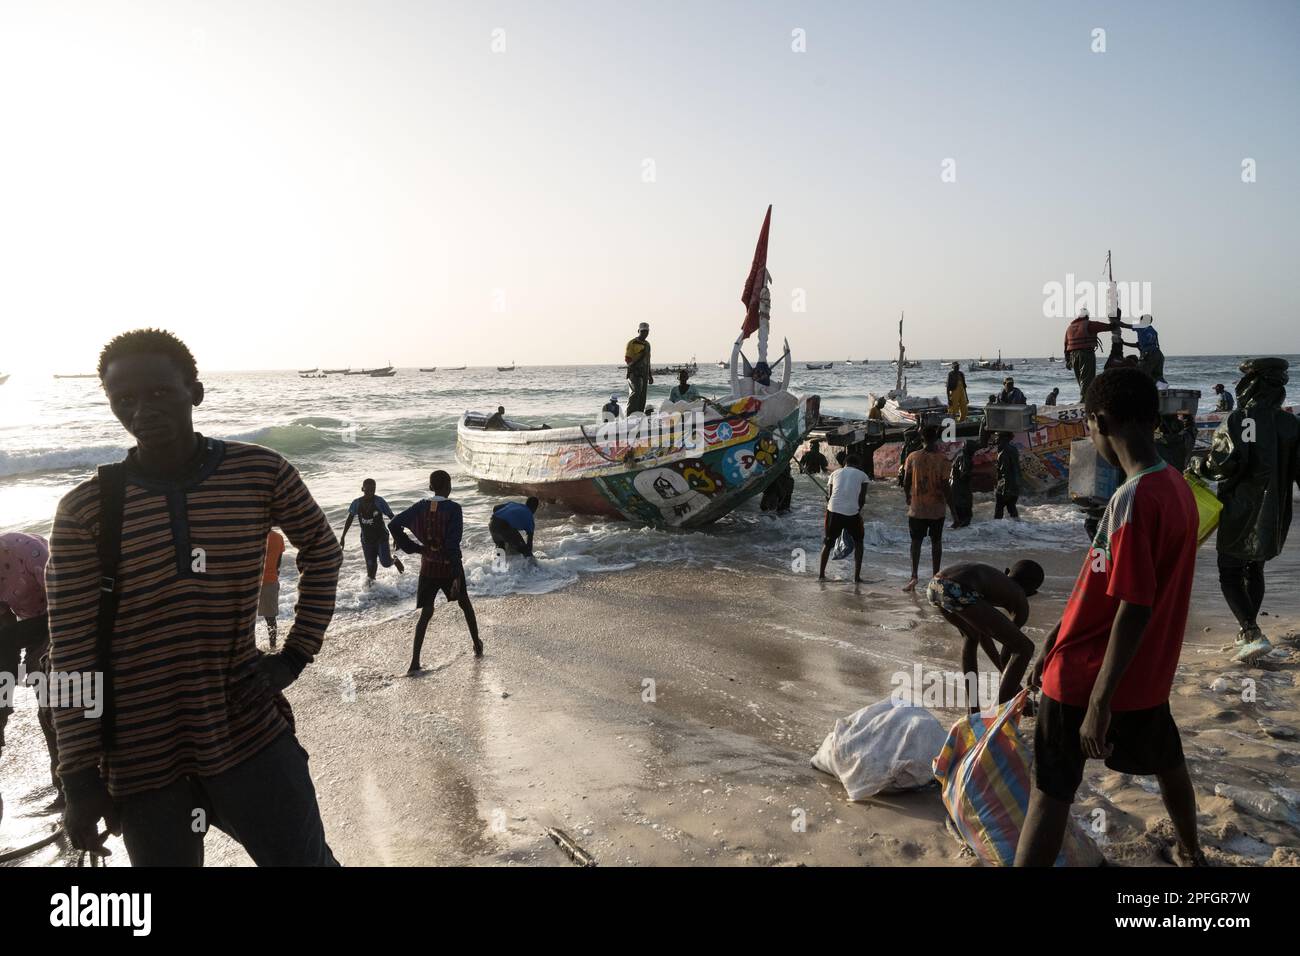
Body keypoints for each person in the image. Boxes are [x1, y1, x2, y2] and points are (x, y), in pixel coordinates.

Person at [48, 328, 340, 866]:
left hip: (248, 732)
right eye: (124, 400)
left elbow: (322, 550)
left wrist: (296, 655)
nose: (141, 410)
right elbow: (70, 648)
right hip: (140, 758)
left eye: (159, 393)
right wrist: (77, 777)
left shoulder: (261, 472)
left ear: (195, 392)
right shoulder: (87, 510)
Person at [1017, 367, 1203, 867]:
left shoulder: (1131, 500)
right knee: (1169, 763)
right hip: (1145, 677)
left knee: (1050, 792)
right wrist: (1054, 638)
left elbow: (1134, 605)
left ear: (1100, 421)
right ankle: (1192, 853)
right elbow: (1096, 586)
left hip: (1087, 678)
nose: (1090, 437)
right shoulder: (1177, 489)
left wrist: (1100, 701)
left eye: (1089, 429)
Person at [1190, 358, 1300, 663]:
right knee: (1255, 568)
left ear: (1249, 384)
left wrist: (1199, 465)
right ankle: (1247, 631)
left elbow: (1223, 464)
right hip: (1275, 511)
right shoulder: (1290, 424)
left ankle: (1251, 631)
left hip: (1240, 508)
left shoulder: (1239, 420)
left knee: (1230, 571)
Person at [389, 470, 482, 669]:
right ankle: (477, 644)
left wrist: (413, 547)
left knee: (426, 613)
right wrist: (456, 573)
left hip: (428, 566)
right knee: (464, 604)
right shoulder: (454, 509)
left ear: (431, 487)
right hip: (448, 567)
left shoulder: (420, 507)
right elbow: (452, 544)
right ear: (449, 486)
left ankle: (414, 661)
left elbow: (393, 524)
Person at [926, 560, 1043, 709]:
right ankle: (999, 715)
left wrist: (1016, 689)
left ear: (1006, 572)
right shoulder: (1020, 600)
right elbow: (1009, 654)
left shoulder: (995, 580)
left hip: (935, 585)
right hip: (959, 588)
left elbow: (984, 636)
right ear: (1032, 593)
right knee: (1025, 648)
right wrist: (1017, 691)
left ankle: (974, 710)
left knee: (971, 637)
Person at [0, 532, 61, 802]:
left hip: (63, 617)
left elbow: (67, 605)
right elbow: (5, 639)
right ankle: (64, 785)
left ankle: (72, 785)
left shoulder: (28, 550)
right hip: (30, 627)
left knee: (50, 703)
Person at [902, 425, 952, 592]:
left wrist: (908, 497)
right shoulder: (943, 459)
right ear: (936, 438)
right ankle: (935, 577)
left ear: (921, 439)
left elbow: (906, 481)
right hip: (937, 509)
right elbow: (946, 486)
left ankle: (913, 577)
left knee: (916, 542)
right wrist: (954, 510)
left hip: (917, 509)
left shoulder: (912, 457)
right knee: (936, 542)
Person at [340, 479, 405, 583]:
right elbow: (349, 519)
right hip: (366, 539)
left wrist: (397, 536)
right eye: (368, 489)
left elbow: (392, 517)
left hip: (381, 537)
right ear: (362, 489)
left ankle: (395, 560)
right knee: (371, 571)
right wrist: (343, 537)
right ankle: (372, 596)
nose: (370, 492)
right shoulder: (356, 503)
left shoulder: (379, 502)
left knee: (386, 563)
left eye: (373, 490)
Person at [819, 454, 869, 583]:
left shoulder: (834, 473)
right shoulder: (863, 475)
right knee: (859, 543)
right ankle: (857, 577)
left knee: (828, 543)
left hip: (833, 511)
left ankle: (821, 575)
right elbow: (861, 499)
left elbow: (830, 497)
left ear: (844, 464)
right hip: (852, 512)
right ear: (857, 465)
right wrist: (856, 512)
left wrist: (829, 500)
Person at [259, 530, 285, 648]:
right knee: (271, 618)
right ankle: (273, 645)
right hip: (271, 580)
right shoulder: (279, 538)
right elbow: (278, 563)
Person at [1125, 317, 1165, 383]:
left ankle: (1144, 391)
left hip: (1149, 354)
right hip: (1159, 354)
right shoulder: (1153, 331)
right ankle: (1164, 390)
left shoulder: (1141, 327)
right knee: (1158, 377)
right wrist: (1124, 343)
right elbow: (1137, 345)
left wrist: (1116, 322)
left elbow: (1125, 325)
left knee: (1142, 375)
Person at [625, 322, 652, 414]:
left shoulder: (648, 344)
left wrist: (650, 375)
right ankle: (630, 415)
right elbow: (628, 360)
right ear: (638, 331)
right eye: (643, 331)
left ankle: (639, 415)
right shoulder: (632, 343)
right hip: (634, 372)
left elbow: (648, 361)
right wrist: (640, 357)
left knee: (642, 396)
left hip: (644, 373)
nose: (645, 333)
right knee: (635, 392)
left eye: (646, 331)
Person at [949, 439, 977, 529]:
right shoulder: (965, 458)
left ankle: (958, 538)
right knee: (965, 518)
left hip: (956, 490)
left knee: (959, 520)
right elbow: (964, 474)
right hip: (961, 492)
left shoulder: (961, 456)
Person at [994, 432, 1020, 519]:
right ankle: (1019, 528)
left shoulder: (1003, 452)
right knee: (1012, 508)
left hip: (1005, 485)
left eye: (997, 437)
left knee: (999, 510)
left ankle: (995, 530)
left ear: (1003, 439)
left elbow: (1005, 471)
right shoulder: (1014, 449)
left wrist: (1004, 489)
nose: (995, 439)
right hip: (1014, 485)